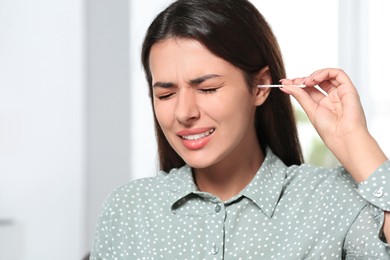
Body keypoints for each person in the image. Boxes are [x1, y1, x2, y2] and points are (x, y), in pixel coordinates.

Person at [90, 0, 390, 259]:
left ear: (259, 88)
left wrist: (353, 139)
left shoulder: (334, 200)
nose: (183, 113)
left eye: (207, 88)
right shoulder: (128, 210)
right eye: (165, 95)